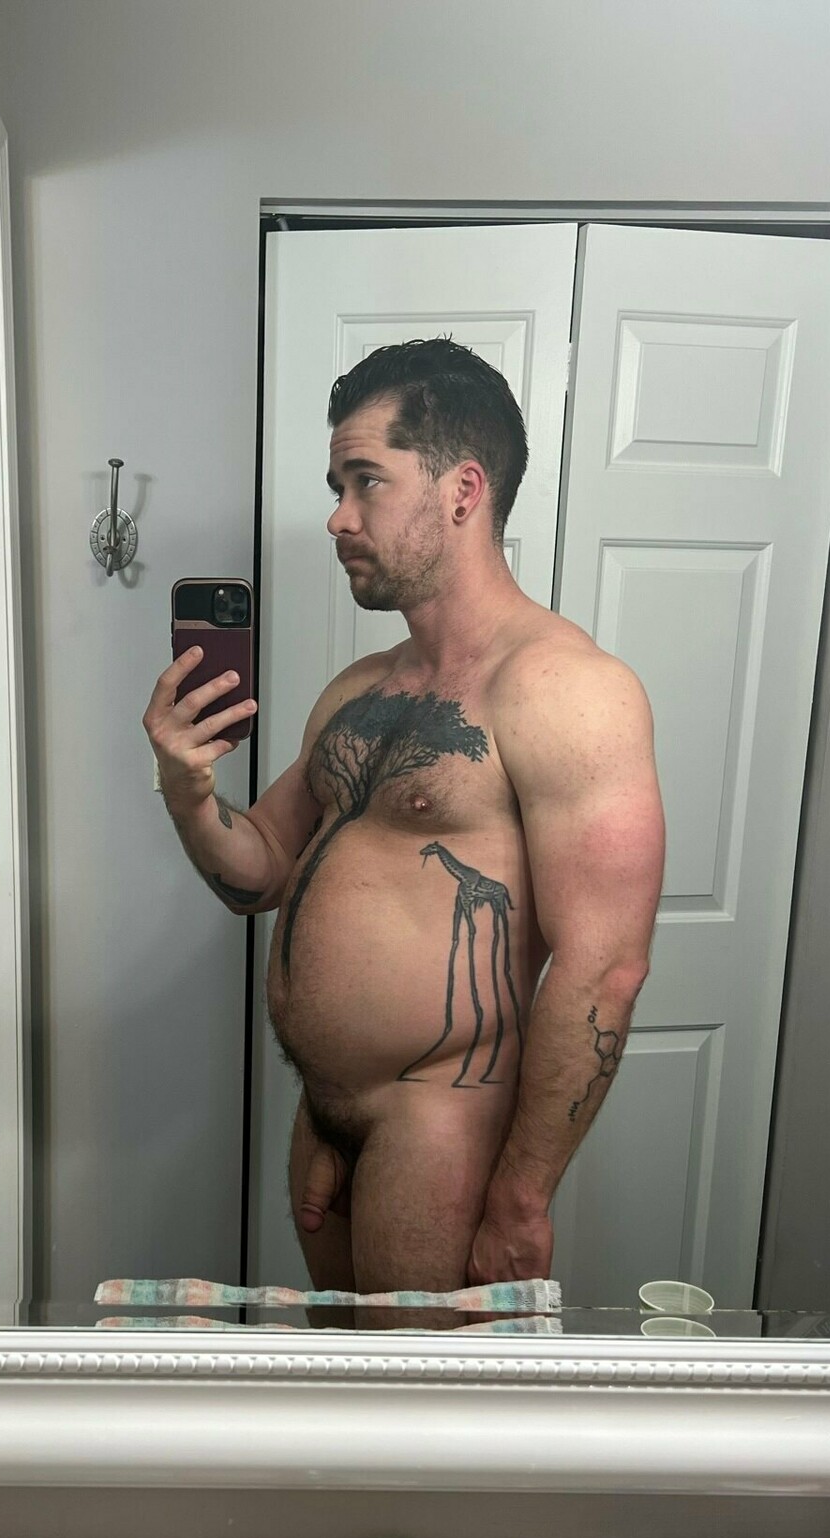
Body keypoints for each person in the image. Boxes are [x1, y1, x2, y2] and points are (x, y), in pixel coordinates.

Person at [143, 338, 665, 1328]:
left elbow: (605, 969)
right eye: (336, 487)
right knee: (345, 1389)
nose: (338, 517)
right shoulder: (360, 690)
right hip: (325, 1121)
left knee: (424, 1416)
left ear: (462, 491)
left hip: (439, 1131)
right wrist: (185, 788)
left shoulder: (567, 691)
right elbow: (260, 872)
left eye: (366, 481)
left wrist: (521, 1199)